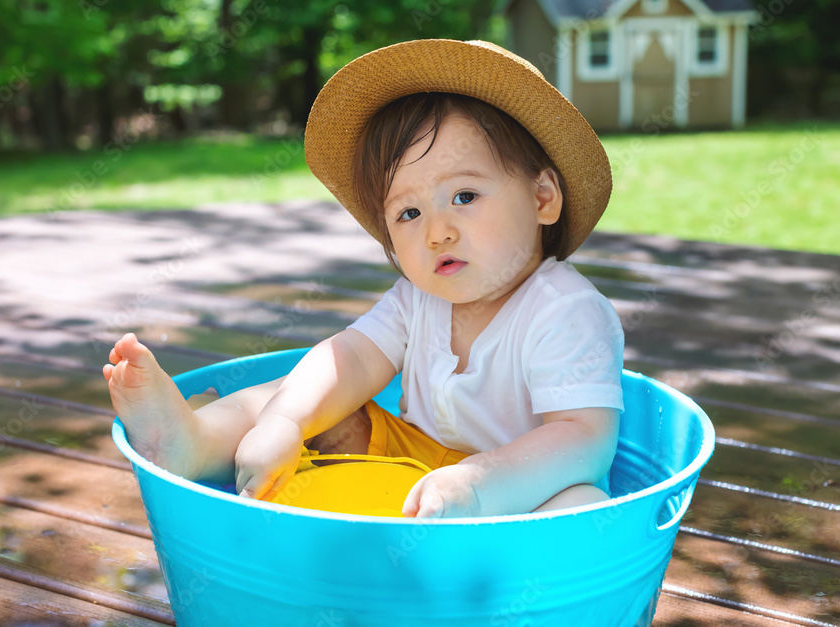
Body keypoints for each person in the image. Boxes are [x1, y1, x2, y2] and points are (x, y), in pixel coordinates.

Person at [103, 39, 624, 519]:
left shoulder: (564, 309)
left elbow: (582, 437)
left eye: (464, 197)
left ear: (542, 198)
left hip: (523, 488)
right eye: (408, 214)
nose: (437, 232)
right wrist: (286, 423)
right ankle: (192, 443)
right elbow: (349, 357)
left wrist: (479, 483)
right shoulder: (417, 298)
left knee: (583, 506)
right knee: (302, 396)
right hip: (413, 464)